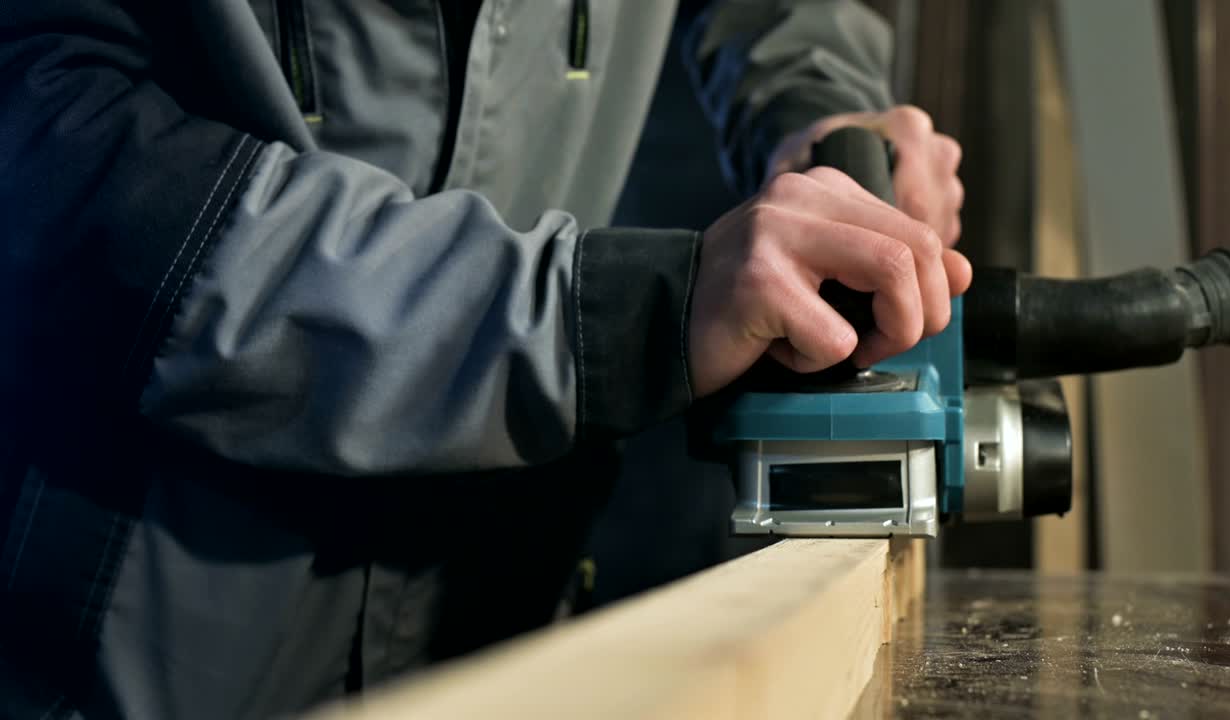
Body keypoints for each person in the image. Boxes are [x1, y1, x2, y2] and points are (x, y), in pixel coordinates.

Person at [0, 1, 967, 717]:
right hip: (154, 627)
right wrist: (613, 317)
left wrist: (824, 119)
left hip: (503, 608)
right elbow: (72, 167)